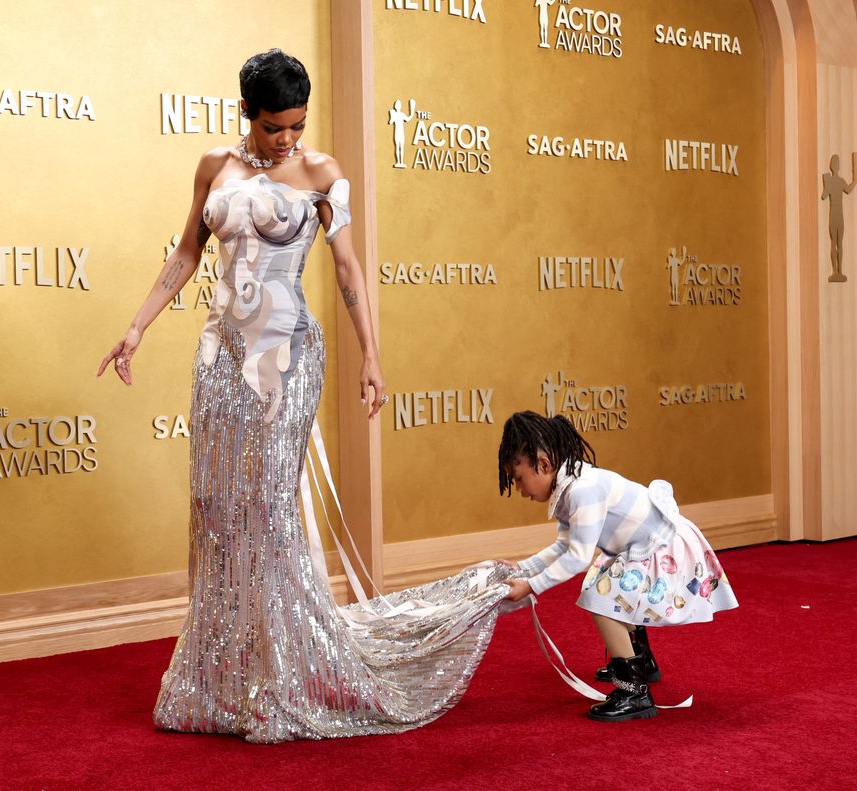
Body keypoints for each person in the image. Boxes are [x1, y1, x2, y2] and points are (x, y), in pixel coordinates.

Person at [98, 49, 515, 743]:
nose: (287, 139)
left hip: (290, 358)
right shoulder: (213, 167)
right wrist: (136, 327)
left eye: (296, 125)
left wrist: (372, 356)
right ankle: (223, 675)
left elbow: (347, 267)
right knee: (216, 507)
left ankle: (277, 677)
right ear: (246, 115)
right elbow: (186, 254)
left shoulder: (322, 174)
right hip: (221, 357)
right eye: (272, 127)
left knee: (266, 506)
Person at [497, 411, 738, 722]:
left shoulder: (582, 490)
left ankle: (633, 690)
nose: (519, 489)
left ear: (543, 464)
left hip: (662, 548)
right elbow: (563, 546)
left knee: (602, 597)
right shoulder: (569, 485)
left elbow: (578, 556)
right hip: (639, 548)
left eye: (518, 479)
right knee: (604, 581)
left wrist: (531, 586)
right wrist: (522, 569)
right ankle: (640, 660)